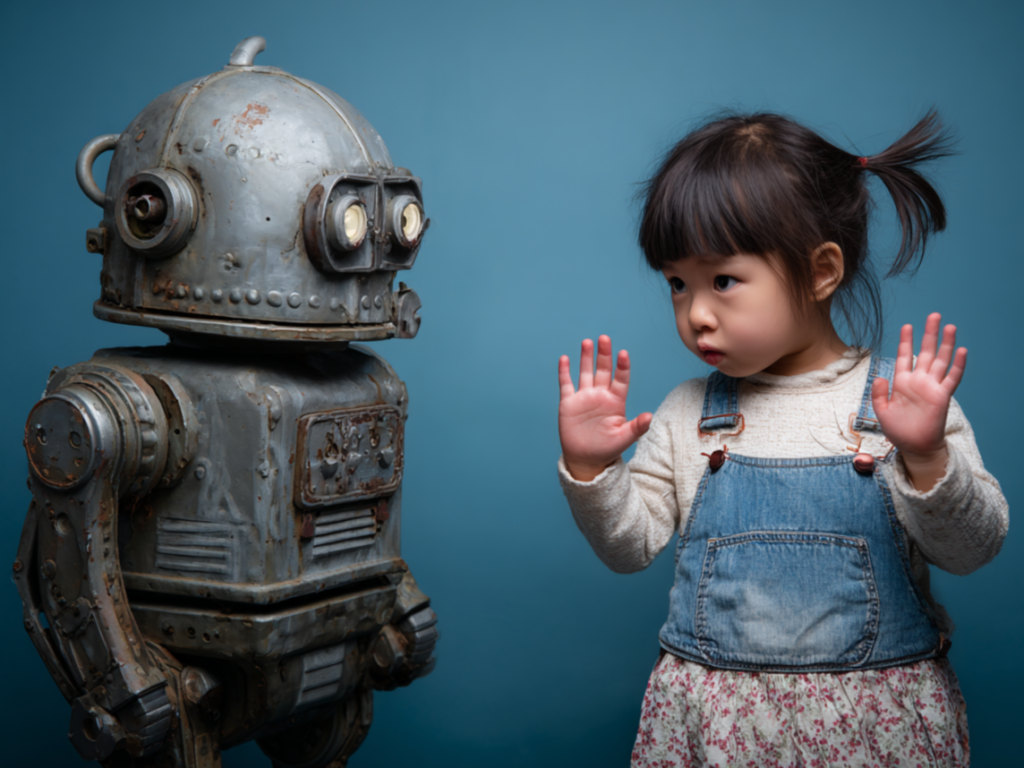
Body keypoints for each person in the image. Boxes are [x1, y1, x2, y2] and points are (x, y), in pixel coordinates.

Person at [556, 111, 1008, 767]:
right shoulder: (688, 415)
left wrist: (927, 455)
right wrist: (594, 468)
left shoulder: (904, 408)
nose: (695, 314)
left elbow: (973, 547)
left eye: (723, 281)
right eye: (677, 285)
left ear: (822, 270)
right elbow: (630, 548)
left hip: (870, 735)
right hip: (717, 736)